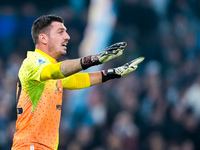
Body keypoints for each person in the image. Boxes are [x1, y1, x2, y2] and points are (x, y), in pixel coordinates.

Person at [11, 14, 144, 150]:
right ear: (43, 38)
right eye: (60, 32)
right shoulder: (33, 64)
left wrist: (111, 74)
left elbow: (76, 80)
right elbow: (57, 71)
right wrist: (94, 59)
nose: (67, 37)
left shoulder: (50, 67)